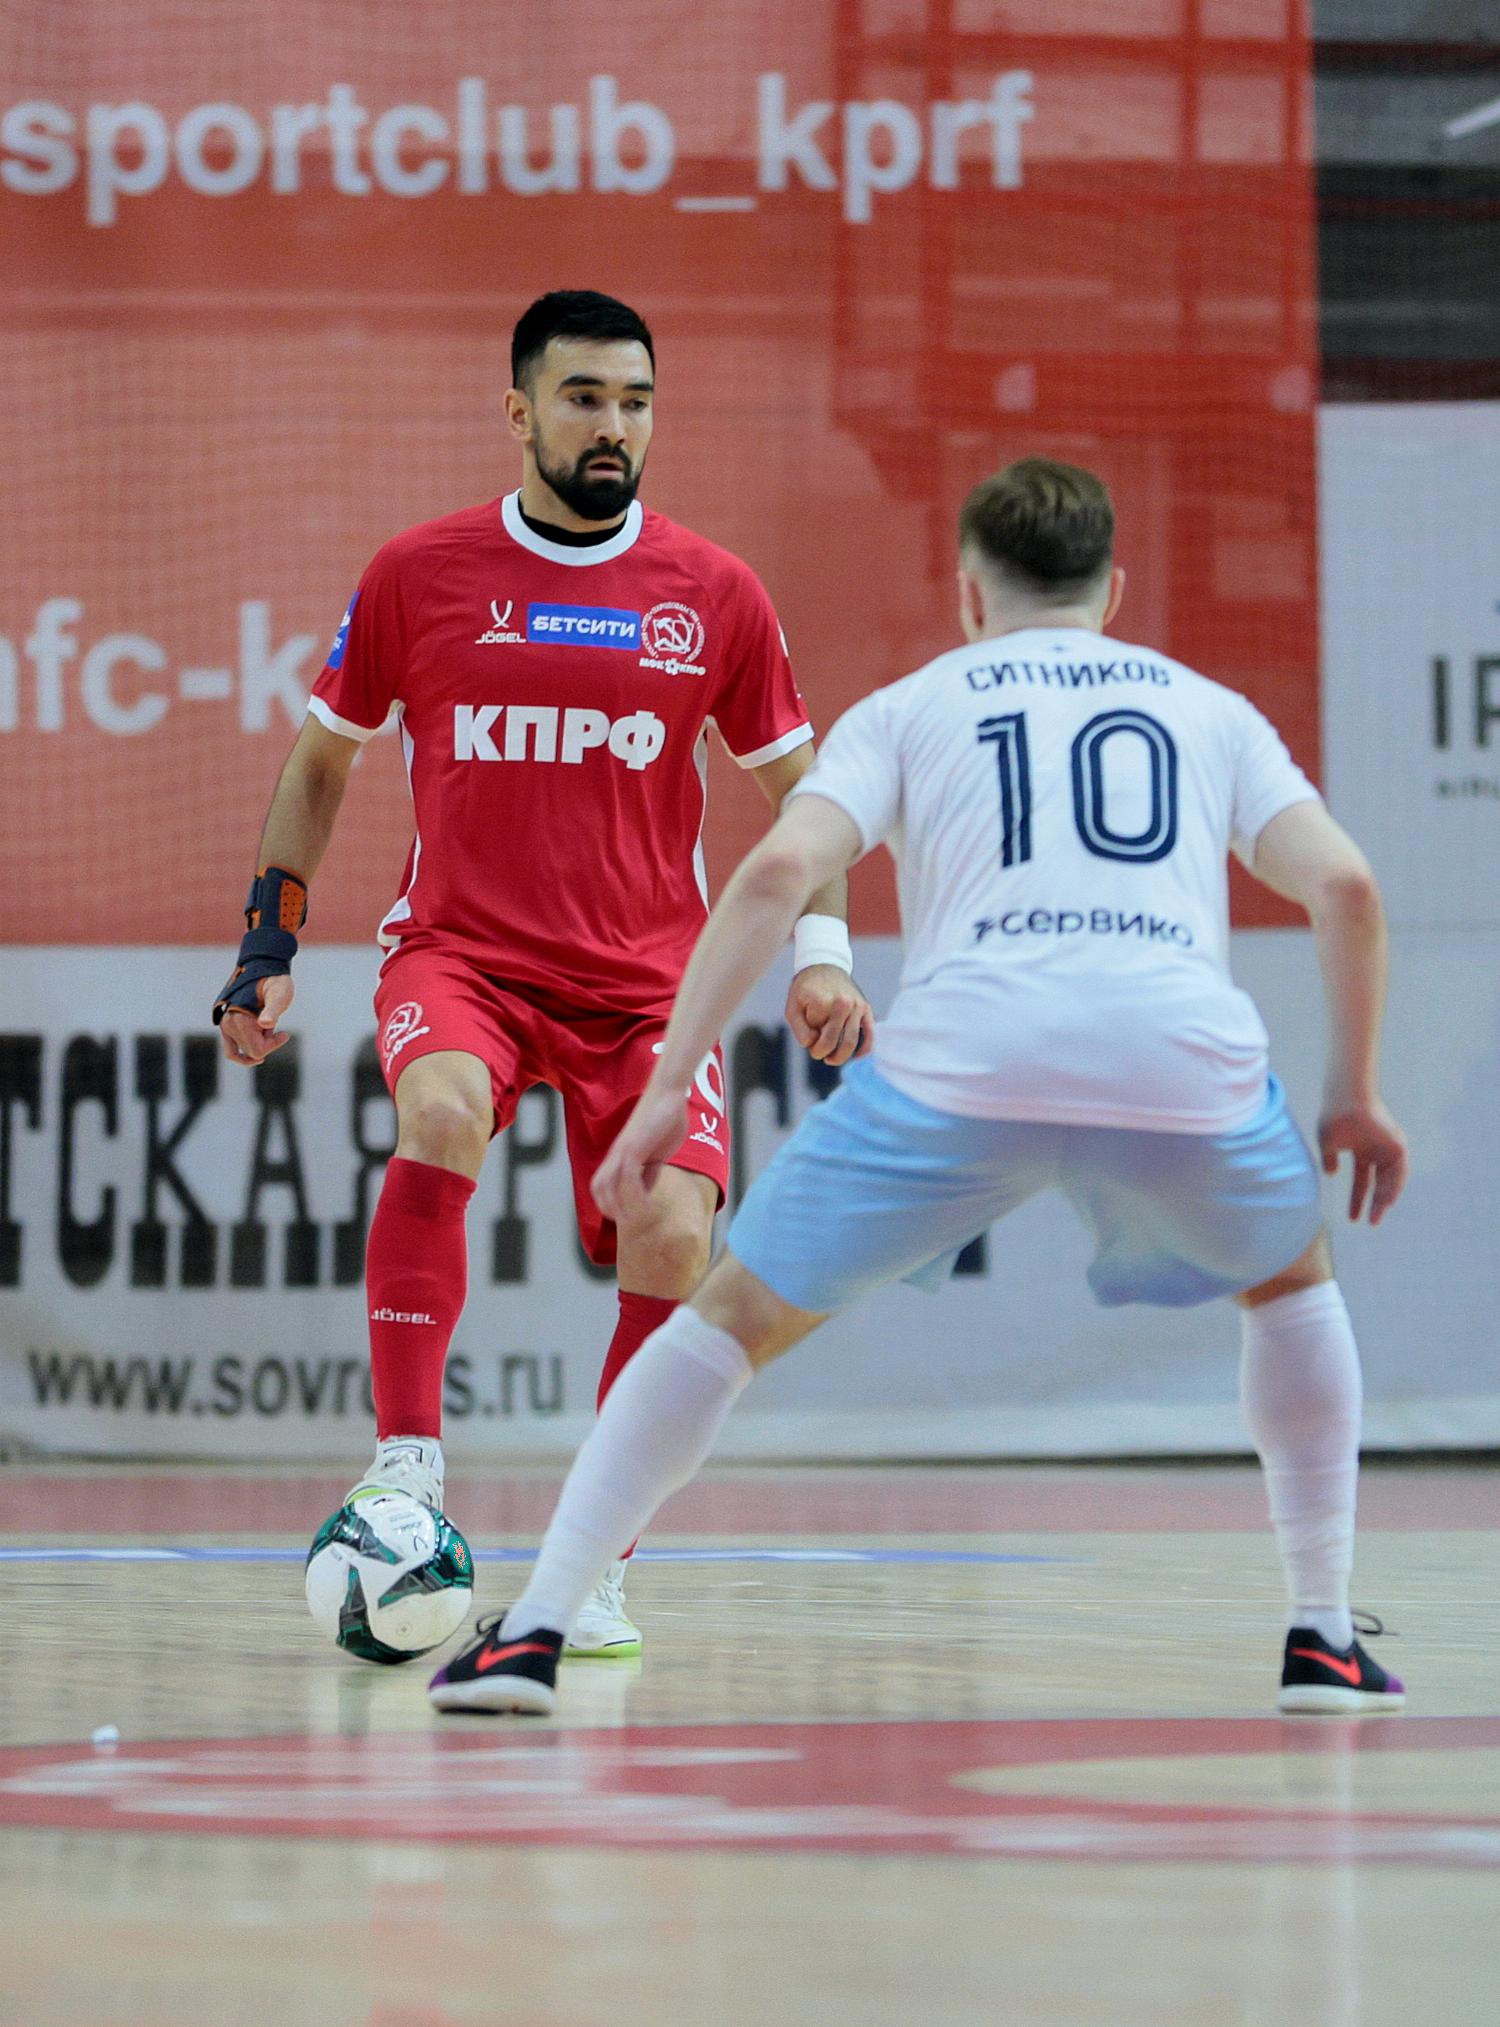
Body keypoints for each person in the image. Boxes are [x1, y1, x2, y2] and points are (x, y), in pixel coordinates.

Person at [428, 455, 1411, 1718]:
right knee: (1291, 1287)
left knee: (724, 1323)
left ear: (969, 595)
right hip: (1177, 1063)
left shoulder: (910, 706)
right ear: (1113, 591)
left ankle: (536, 1632)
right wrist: (1352, 1091)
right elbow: (1348, 888)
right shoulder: (1208, 710)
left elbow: (775, 873)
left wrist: (670, 1081)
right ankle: (1321, 1635)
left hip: (965, 1068)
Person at [214, 289, 872, 1657]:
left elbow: (807, 796)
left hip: (650, 986)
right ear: (519, 411)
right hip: (464, 957)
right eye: (584, 398)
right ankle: (406, 1468)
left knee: (675, 1237)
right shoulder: (419, 572)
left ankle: (594, 1566)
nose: (614, 425)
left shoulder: (715, 593)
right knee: (443, 1109)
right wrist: (267, 943)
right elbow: (324, 761)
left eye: (636, 401)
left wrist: (823, 956)